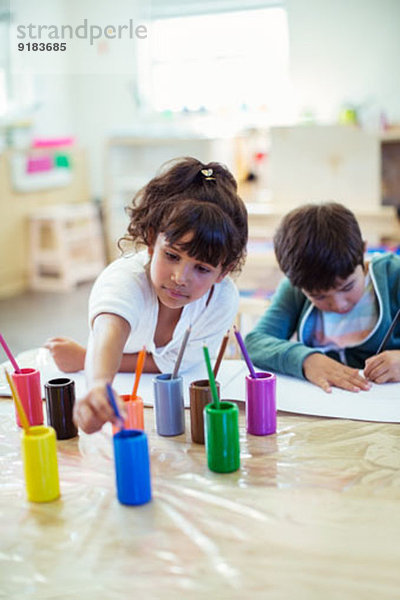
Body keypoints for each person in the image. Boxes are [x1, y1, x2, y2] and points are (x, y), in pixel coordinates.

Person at [45, 157, 248, 433]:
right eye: (172, 255)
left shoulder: (221, 300)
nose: (180, 278)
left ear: (223, 272)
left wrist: (82, 358)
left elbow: (173, 363)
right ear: (152, 241)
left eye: (202, 268)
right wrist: (97, 385)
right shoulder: (124, 280)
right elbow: (109, 332)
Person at [245, 202, 400, 393]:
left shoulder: (394, 277)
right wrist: (307, 360)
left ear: (362, 251)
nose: (338, 303)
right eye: (318, 296)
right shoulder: (295, 290)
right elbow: (254, 342)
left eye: (347, 286)